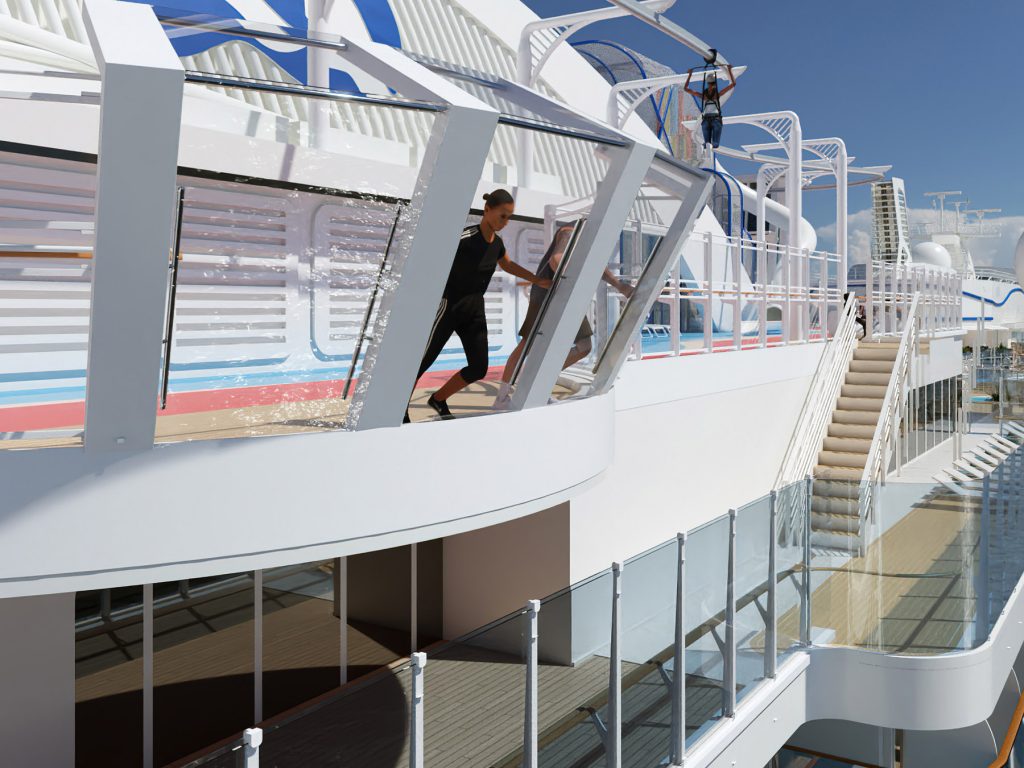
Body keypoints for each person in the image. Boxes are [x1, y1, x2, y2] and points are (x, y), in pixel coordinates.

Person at [405, 190, 550, 422]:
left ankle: (439, 399)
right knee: (421, 362)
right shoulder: (465, 238)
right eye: (502, 216)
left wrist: (537, 279)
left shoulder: (498, 245)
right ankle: (399, 407)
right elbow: (433, 259)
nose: (505, 222)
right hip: (449, 307)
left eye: (509, 217)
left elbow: (509, 266)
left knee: (478, 367)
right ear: (487, 210)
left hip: (474, 311)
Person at [494, 222, 633, 407]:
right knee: (527, 344)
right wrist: (576, 281)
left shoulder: (592, 242)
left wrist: (620, 286)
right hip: (546, 294)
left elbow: (599, 267)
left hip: (568, 296)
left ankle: (540, 384)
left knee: (584, 347)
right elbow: (556, 259)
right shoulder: (570, 231)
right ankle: (502, 397)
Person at [683, 63, 736, 150]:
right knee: (714, 144)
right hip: (715, 119)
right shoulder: (717, 95)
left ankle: (706, 151)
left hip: (707, 119)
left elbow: (686, 89)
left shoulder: (703, 96)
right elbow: (733, 84)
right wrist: (729, 70)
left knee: (707, 144)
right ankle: (707, 152)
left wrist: (690, 74)